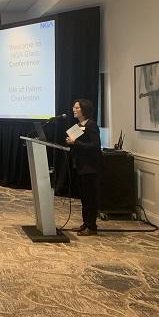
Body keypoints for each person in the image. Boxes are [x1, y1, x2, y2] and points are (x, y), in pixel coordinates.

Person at [66, 98, 102, 237]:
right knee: (84, 198)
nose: (74, 110)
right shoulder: (79, 125)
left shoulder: (91, 125)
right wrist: (71, 142)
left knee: (90, 198)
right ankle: (85, 223)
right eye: (73, 107)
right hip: (81, 166)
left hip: (90, 168)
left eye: (77, 108)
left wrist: (76, 143)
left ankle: (92, 227)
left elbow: (95, 146)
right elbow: (79, 144)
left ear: (84, 109)